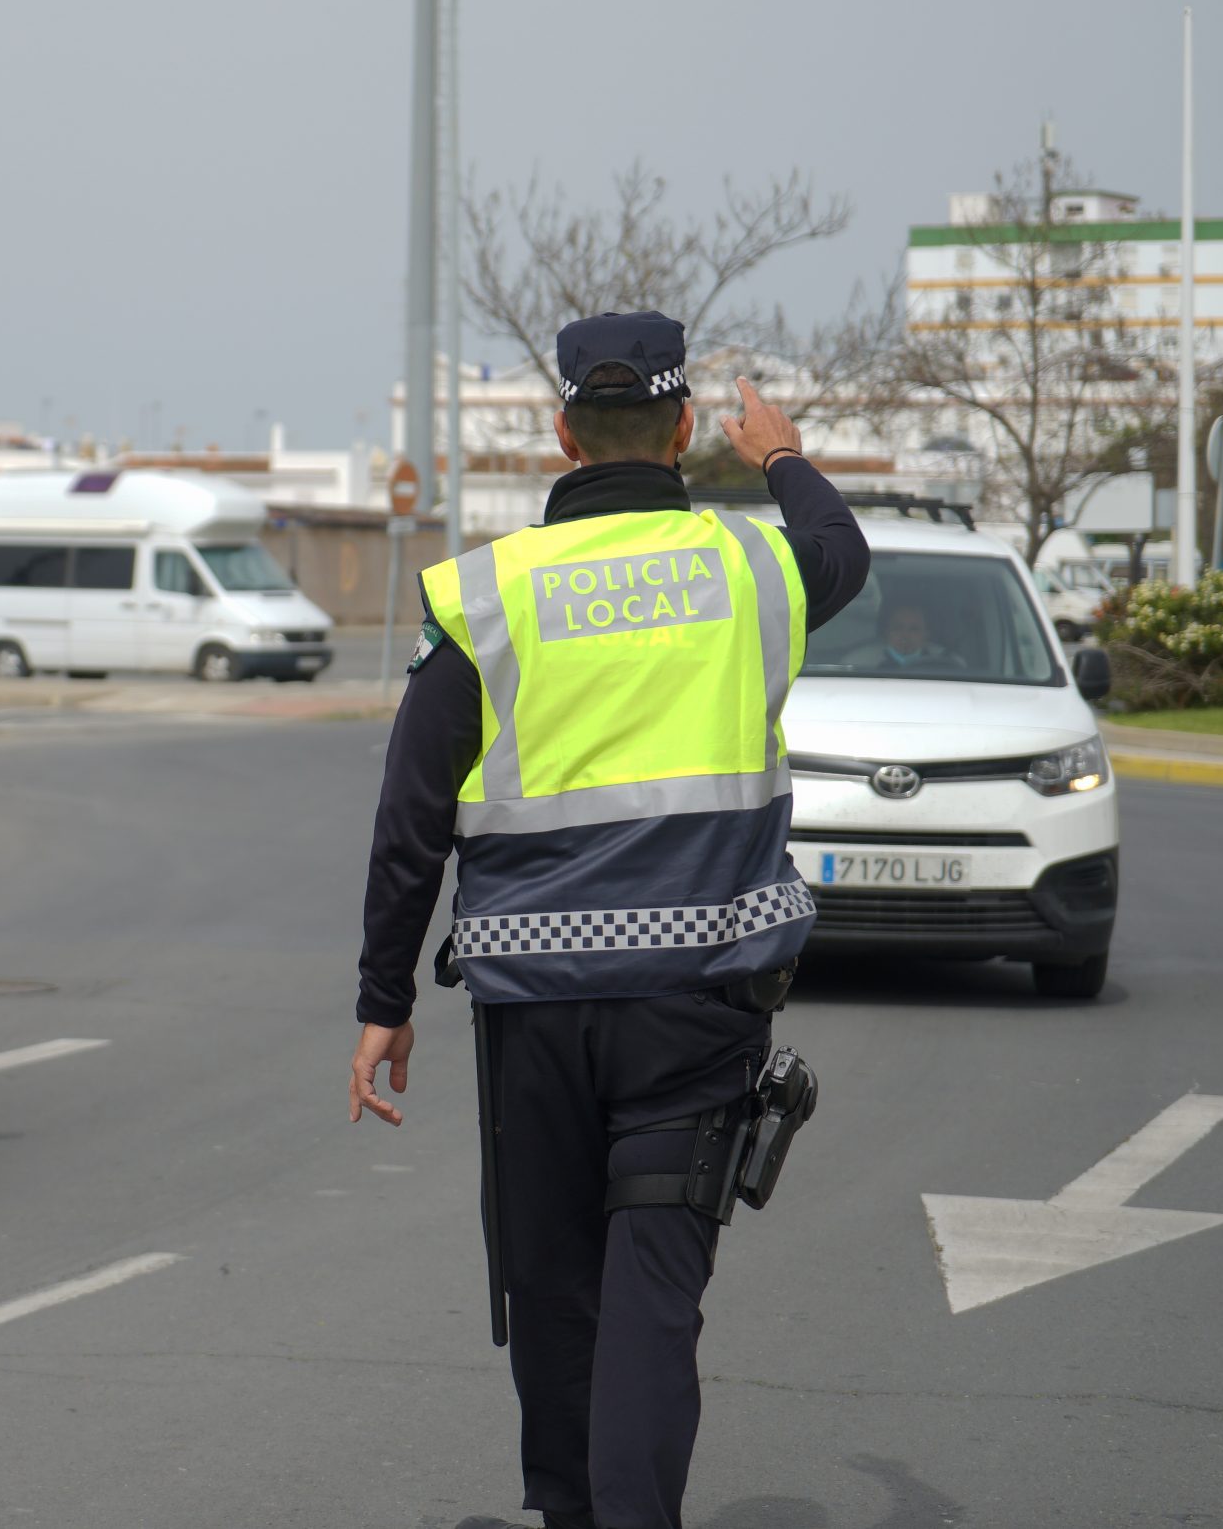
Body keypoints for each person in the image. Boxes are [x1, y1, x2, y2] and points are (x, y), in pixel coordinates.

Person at [348, 311, 868, 1529]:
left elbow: (410, 816)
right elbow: (838, 554)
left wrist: (383, 1005)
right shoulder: (749, 569)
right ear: (686, 430)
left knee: (553, 1286)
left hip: (536, 1015)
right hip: (697, 1009)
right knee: (650, 1293)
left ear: (560, 429)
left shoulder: (482, 595)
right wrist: (782, 456)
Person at [875, 598, 962, 669]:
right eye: (898, 628)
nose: (905, 635)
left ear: (926, 634)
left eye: (914, 629)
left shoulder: (947, 663)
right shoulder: (866, 662)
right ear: (887, 632)